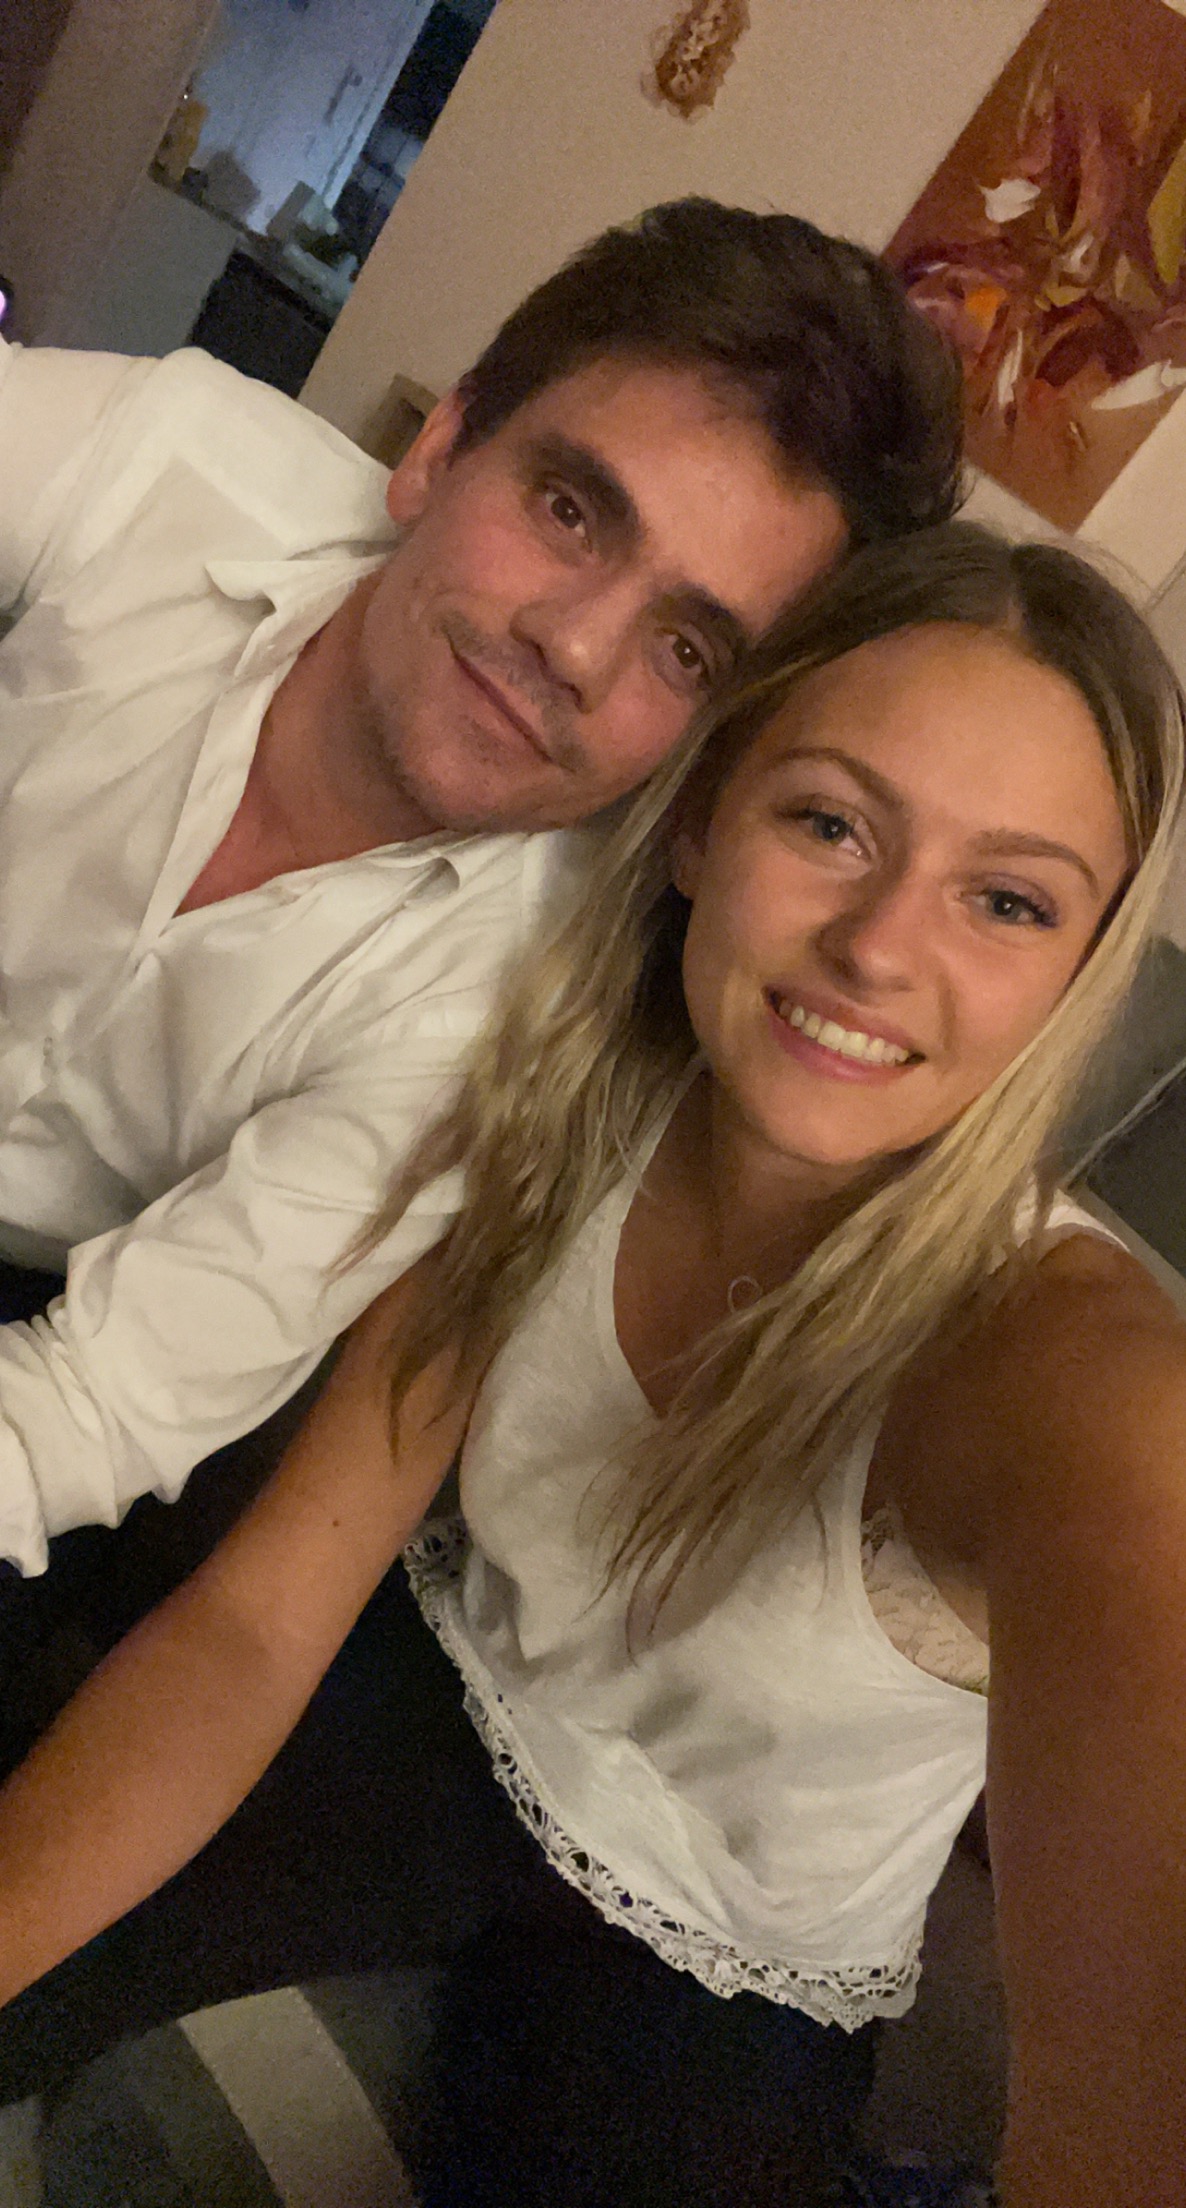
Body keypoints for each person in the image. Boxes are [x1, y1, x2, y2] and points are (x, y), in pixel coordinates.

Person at [0, 522, 1183, 2204]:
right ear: (700, 821)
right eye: (830, 824)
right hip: (439, 1686)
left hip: (731, 1961)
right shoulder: (552, 1090)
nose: (875, 947)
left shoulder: (1067, 1374)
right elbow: (263, 1621)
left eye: (1005, 901)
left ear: (1075, 974)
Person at [0, 200, 961, 1640]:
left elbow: (83, 1408)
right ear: (439, 449)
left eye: (684, 647)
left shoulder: (505, 1016)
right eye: (569, 511)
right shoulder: (170, 465)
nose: (572, 645)